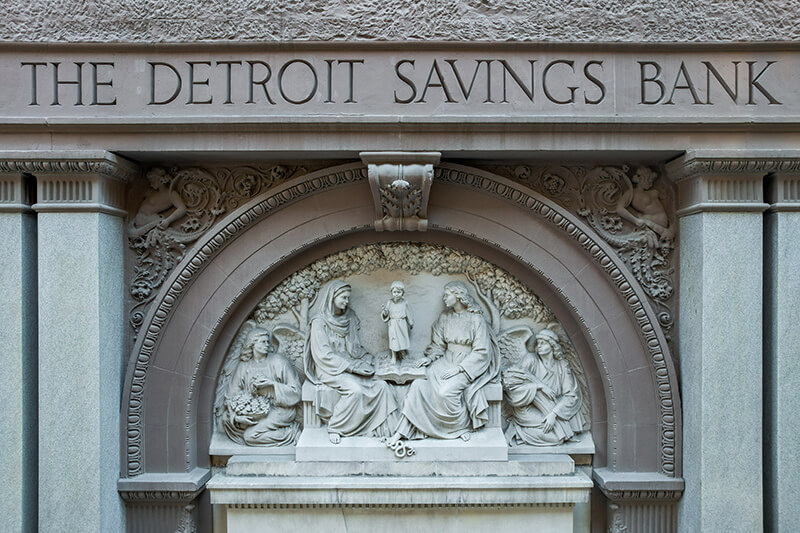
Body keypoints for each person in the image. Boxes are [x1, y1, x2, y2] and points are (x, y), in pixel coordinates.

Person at [388, 281, 499, 443]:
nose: (444, 299)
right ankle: (402, 432)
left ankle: (458, 428)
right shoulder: (445, 317)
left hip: (467, 364)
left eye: (447, 295)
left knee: (445, 392)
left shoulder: (476, 319)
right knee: (418, 386)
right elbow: (438, 345)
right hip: (445, 360)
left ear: (458, 296)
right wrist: (429, 358)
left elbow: (482, 352)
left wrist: (460, 369)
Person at [304, 280, 399, 444]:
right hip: (330, 369)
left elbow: (354, 348)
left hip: (351, 365)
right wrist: (353, 367)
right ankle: (336, 427)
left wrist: (368, 359)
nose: (347, 302)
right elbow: (323, 355)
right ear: (332, 297)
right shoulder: (319, 322)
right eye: (344, 298)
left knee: (382, 386)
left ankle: (379, 429)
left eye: (348, 298)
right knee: (355, 390)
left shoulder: (349, 317)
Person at [502, 328, 586, 446]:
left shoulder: (562, 365)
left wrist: (553, 414)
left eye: (543, 343)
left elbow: (571, 395)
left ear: (552, 346)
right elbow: (509, 379)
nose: (539, 346)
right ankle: (518, 429)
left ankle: (518, 431)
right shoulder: (531, 360)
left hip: (552, 409)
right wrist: (537, 385)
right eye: (538, 343)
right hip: (527, 408)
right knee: (557, 436)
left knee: (557, 438)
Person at [221, 327, 302, 446]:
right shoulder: (244, 366)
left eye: (268, 342)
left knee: (250, 436)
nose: (267, 345)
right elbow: (232, 395)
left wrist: (271, 384)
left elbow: (296, 392)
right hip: (255, 411)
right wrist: (237, 417)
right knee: (225, 418)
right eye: (262, 342)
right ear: (252, 344)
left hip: (281, 409)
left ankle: (291, 433)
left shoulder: (278, 361)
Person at [381, 281, 414, 363]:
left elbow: (408, 312)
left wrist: (410, 322)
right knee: (394, 340)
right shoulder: (390, 302)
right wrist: (385, 311)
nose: (396, 294)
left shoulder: (404, 302)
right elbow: (386, 314)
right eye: (394, 292)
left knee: (402, 340)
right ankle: (394, 356)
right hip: (393, 324)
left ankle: (403, 353)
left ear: (402, 293)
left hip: (402, 324)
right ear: (391, 292)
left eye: (399, 292)